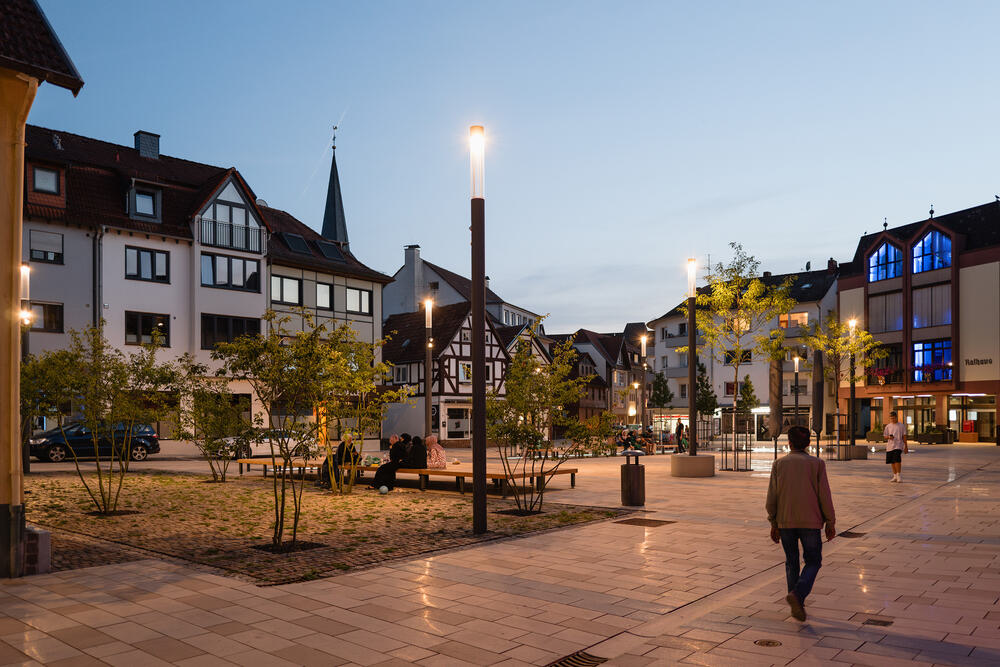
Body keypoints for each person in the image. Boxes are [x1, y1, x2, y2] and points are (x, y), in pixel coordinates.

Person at [765, 425, 836, 622]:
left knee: (791, 562)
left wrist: (773, 521)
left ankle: (796, 601)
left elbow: (772, 496)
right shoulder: (817, 464)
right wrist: (830, 521)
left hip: (785, 521)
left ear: (789, 442)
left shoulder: (779, 464)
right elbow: (825, 495)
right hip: (811, 522)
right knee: (813, 561)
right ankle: (798, 595)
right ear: (808, 444)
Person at [883, 410, 908, 483]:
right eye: (891, 418)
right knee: (892, 461)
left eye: (894, 418)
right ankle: (895, 476)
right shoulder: (888, 426)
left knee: (897, 460)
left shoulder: (901, 425)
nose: (892, 419)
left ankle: (899, 475)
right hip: (890, 446)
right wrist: (889, 437)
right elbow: (885, 436)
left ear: (896, 417)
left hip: (898, 445)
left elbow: (904, 436)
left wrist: (906, 446)